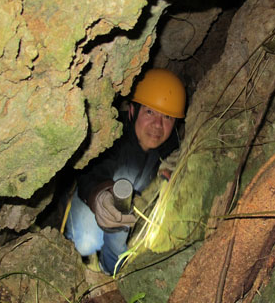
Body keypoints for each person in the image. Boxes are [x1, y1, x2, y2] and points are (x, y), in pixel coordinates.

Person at [64, 68, 186, 275]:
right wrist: (101, 196)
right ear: (132, 111)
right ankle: (79, 260)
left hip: (129, 217)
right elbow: (90, 173)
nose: (157, 125)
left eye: (166, 117)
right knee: (85, 242)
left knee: (120, 255)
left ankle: (112, 271)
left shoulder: (171, 148)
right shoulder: (113, 136)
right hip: (95, 201)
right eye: (149, 112)